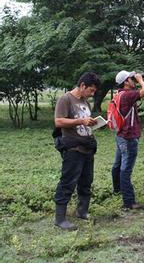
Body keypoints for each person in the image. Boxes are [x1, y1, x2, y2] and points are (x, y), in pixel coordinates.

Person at [53, 72, 101, 230]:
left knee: (86, 181)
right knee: (67, 182)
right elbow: (59, 121)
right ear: (82, 86)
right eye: (91, 90)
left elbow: (84, 122)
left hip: (87, 146)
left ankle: (82, 211)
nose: (92, 94)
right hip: (73, 148)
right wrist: (81, 121)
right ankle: (60, 218)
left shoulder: (84, 101)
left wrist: (94, 123)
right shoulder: (65, 99)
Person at [111, 70, 144, 210]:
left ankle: (117, 190)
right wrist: (140, 79)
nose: (133, 79)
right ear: (125, 82)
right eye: (131, 78)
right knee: (125, 169)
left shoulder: (119, 94)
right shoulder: (127, 95)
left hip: (120, 135)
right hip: (128, 137)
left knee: (118, 164)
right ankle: (128, 201)